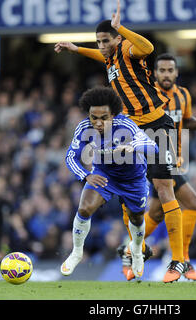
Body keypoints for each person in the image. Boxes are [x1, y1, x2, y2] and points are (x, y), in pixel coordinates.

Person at [55, 0, 187, 282]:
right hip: (127, 127)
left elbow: (149, 49)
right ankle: (134, 249)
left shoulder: (126, 48)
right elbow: (99, 54)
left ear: (117, 39)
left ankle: (178, 260)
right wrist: (77, 49)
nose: (102, 45)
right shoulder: (109, 57)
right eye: (99, 41)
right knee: (130, 198)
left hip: (155, 122)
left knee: (164, 187)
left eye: (106, 40)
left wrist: (121, 29)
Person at [119, 53, 196, 281]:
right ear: (155, 73)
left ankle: (130, 249)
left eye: (170, 70)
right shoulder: (146, 95)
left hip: (173, 159)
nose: (166, 74)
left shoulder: (183, 95)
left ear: (176, 72)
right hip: (151, 157)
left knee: (158, 213)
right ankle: (183, 260)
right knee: (191, 201)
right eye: (162, 70)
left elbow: (184, 120)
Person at [60, 87, 158, 281]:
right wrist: (86, 176)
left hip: (133, 179)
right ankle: (77, 252)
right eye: (93, 117)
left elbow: (153, 146)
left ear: (113, 114)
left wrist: (133, 146)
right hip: (104, 174)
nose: (98, 122)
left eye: (103, 117)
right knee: (85, 208)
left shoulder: (126, 125)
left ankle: (137, 251)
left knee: (137, 219)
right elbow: (70, 156)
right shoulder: (83, 128)